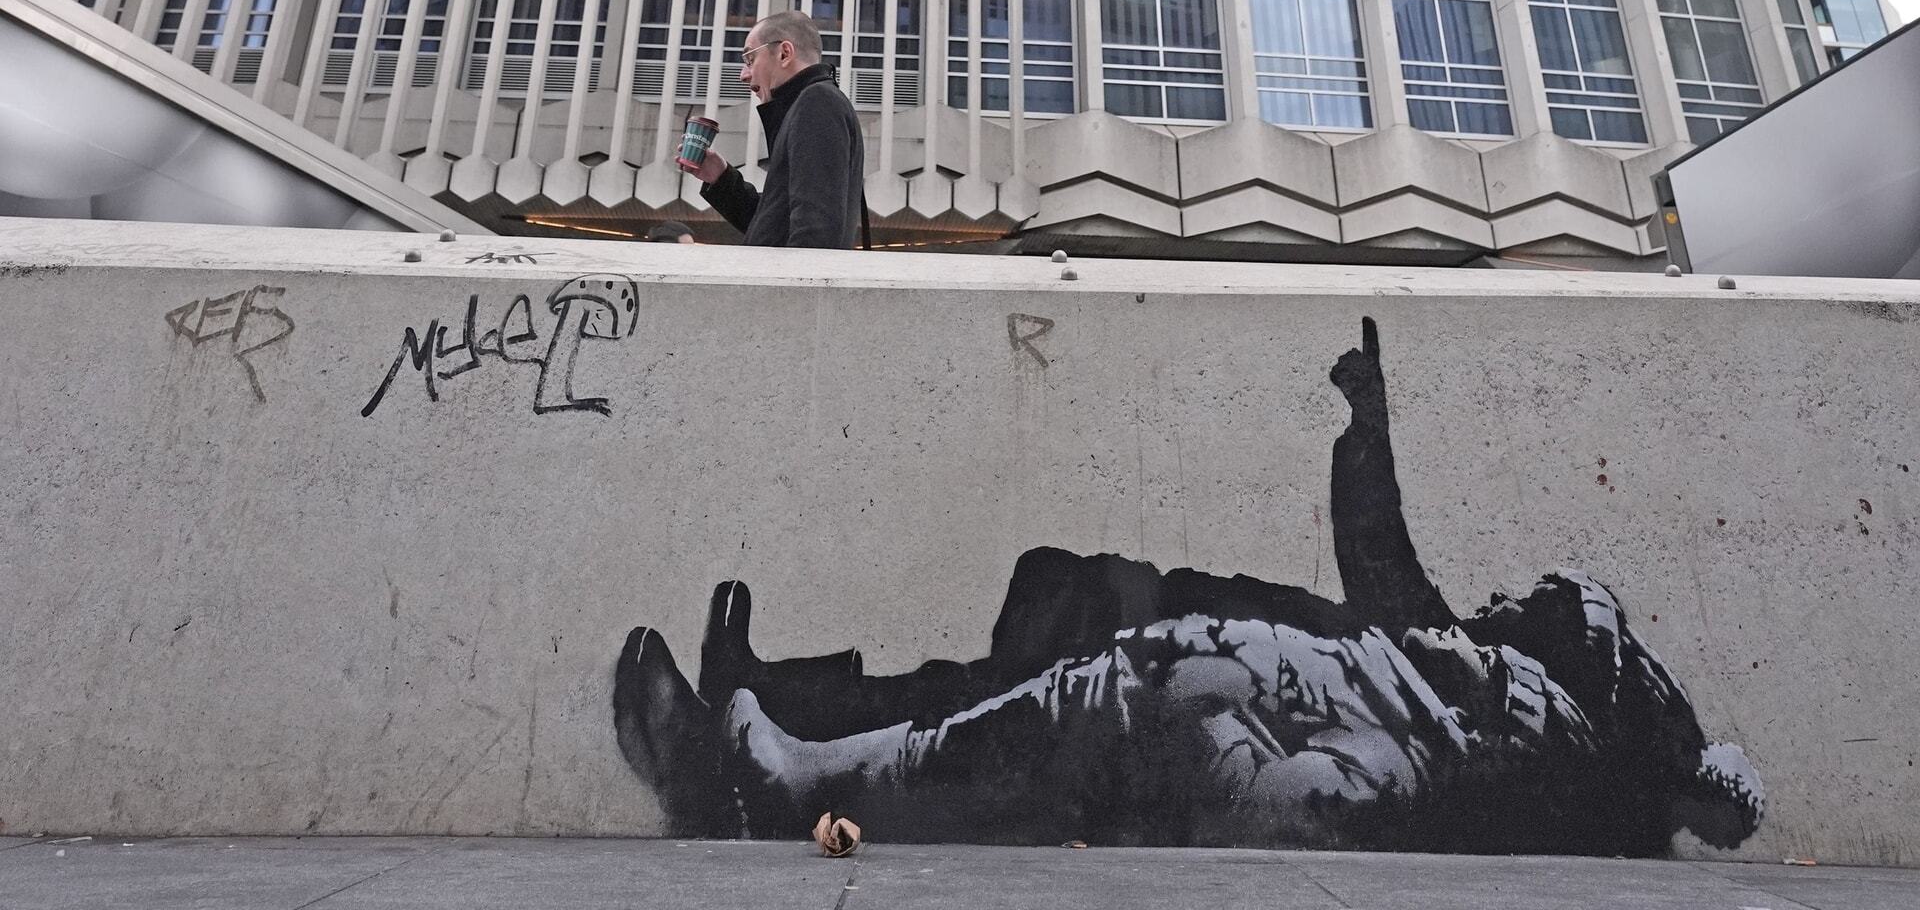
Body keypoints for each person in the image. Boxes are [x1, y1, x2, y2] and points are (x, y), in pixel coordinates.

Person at [612, 318, 1765, 854]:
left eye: (1532, 606)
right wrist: (1365, 438)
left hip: (1271, 706)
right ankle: (774, 711)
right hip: (1271, 672)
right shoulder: (1477, 673)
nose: (1511, 600)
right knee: (1040, 632)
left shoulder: (1548, 713)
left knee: (1071, 672)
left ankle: (762, 769)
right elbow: (1399, 595)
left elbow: (1726, 796)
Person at [681, 11, 864, 249]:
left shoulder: (817, 102)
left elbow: (815, 231)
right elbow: (774, 227)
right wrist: (720, 178)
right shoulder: (809, 104)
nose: (743, 76)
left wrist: (782, 287)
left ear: (784, 54)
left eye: (749, 59)